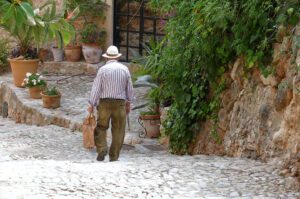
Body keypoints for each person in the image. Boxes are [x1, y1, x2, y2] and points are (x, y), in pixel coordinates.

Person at [88, 45, 134, 162]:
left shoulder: (102, 70)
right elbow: (129, 88)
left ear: (107, 58)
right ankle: (114, 156)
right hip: (119, 104)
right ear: (117, 57)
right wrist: (129, 102)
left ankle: (102, 149)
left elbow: (96, 88)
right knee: (118, 129)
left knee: (101, 127)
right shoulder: (124, 69)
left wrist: (91, 104)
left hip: (104, 104)